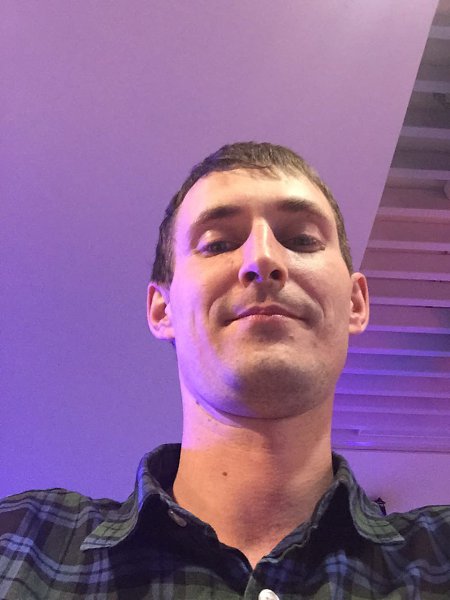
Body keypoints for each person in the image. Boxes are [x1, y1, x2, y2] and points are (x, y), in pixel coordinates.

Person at [0, 142, 449, 599]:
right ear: (162, 309)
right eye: (217, 244)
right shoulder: (17, 544)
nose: (263, 259)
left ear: (355, 303)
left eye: (301, 240)